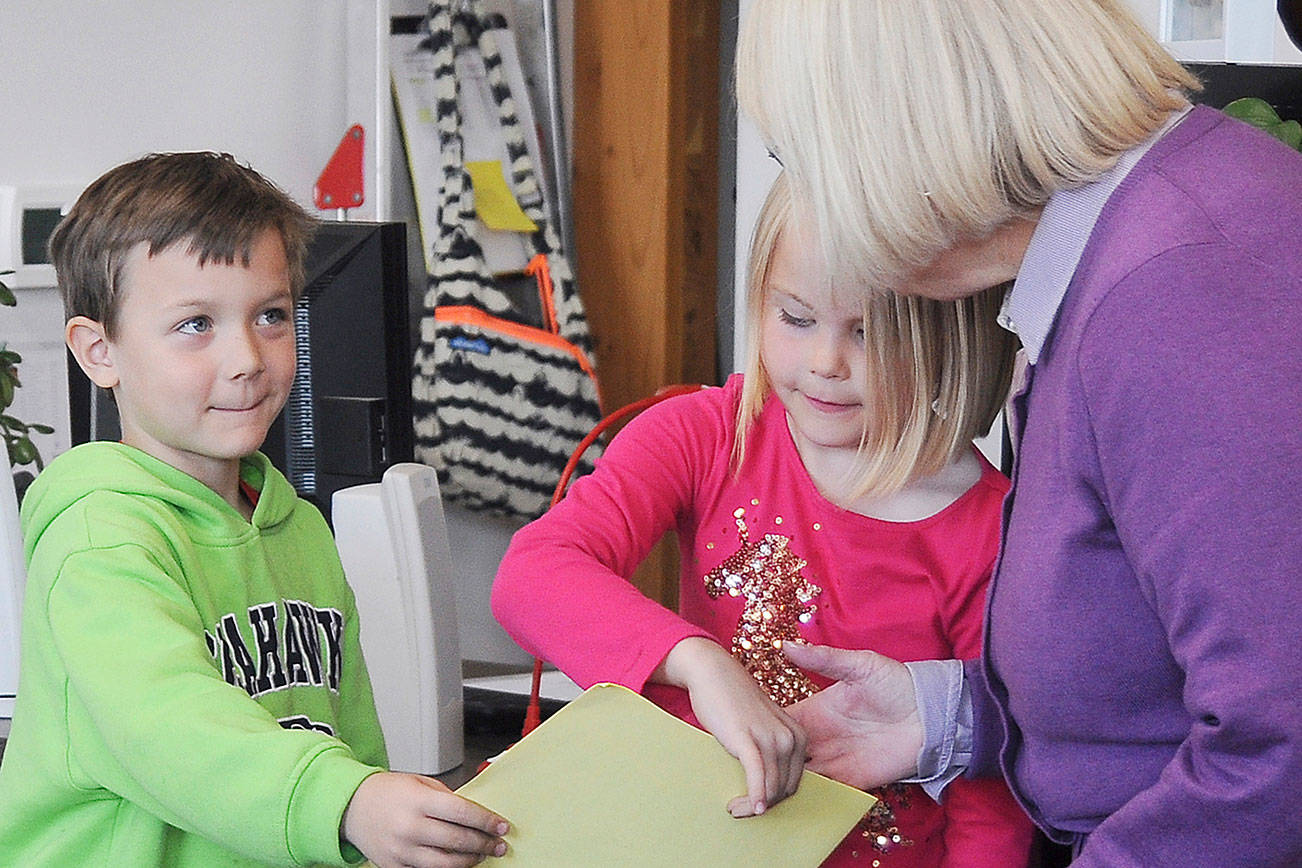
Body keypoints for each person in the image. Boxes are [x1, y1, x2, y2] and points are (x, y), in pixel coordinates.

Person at [734, 1, 1302, 866]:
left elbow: (1279, 747)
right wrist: (953, 716)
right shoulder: (1130, 241)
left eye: (804, 158)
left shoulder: (1184, 295)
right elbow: (1159, 654)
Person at [492, 172, 1032, 867]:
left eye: (868, 333)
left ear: (950, 330)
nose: (824, 362)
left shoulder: (992, 532)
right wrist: (701, 663)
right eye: (796, 318)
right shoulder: (707, 434)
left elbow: (992, 808)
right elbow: (533, 575)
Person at [0, 152, 509, 867]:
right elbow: (171, 728)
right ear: (98, 351)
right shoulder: (99, 536)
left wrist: (372, 823)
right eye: (195, 325)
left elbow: (347, 735)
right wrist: (346, 802)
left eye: (270, 316)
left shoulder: (296, 525)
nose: (247, 357)